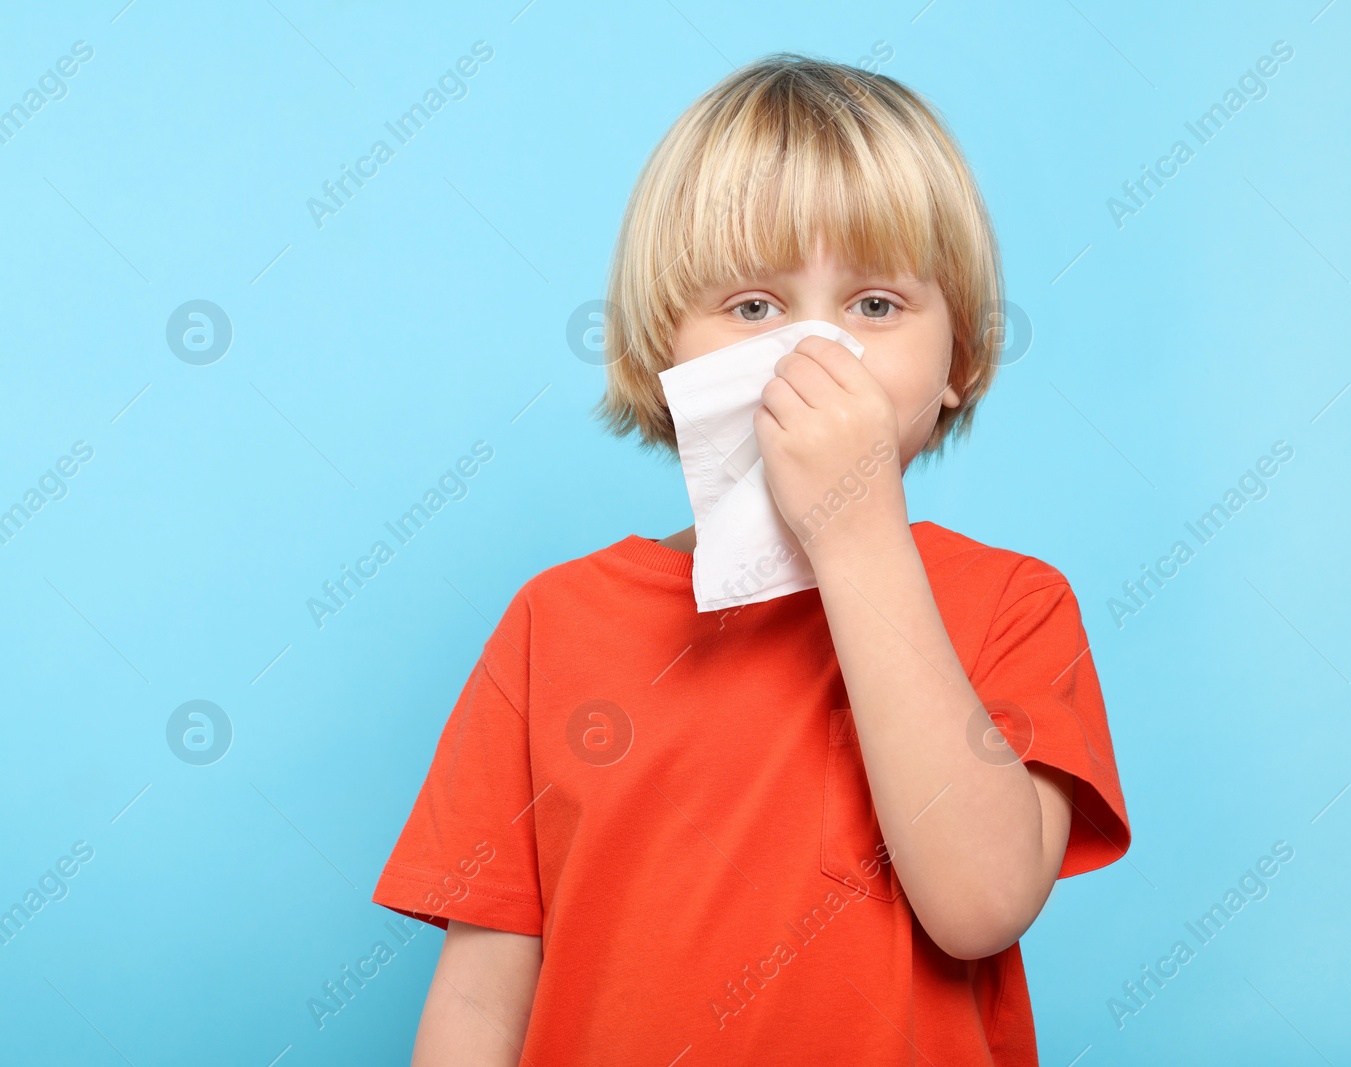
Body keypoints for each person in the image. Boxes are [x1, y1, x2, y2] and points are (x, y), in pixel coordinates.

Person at [373, 52, 1131, 1065]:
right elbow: (478, 1001)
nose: (811, 356)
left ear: (957, 361)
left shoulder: (1013, 607)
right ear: (660, 354)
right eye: (754, 307)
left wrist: (856, 529)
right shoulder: (550, 626)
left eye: (873, 305)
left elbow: (981, 903)